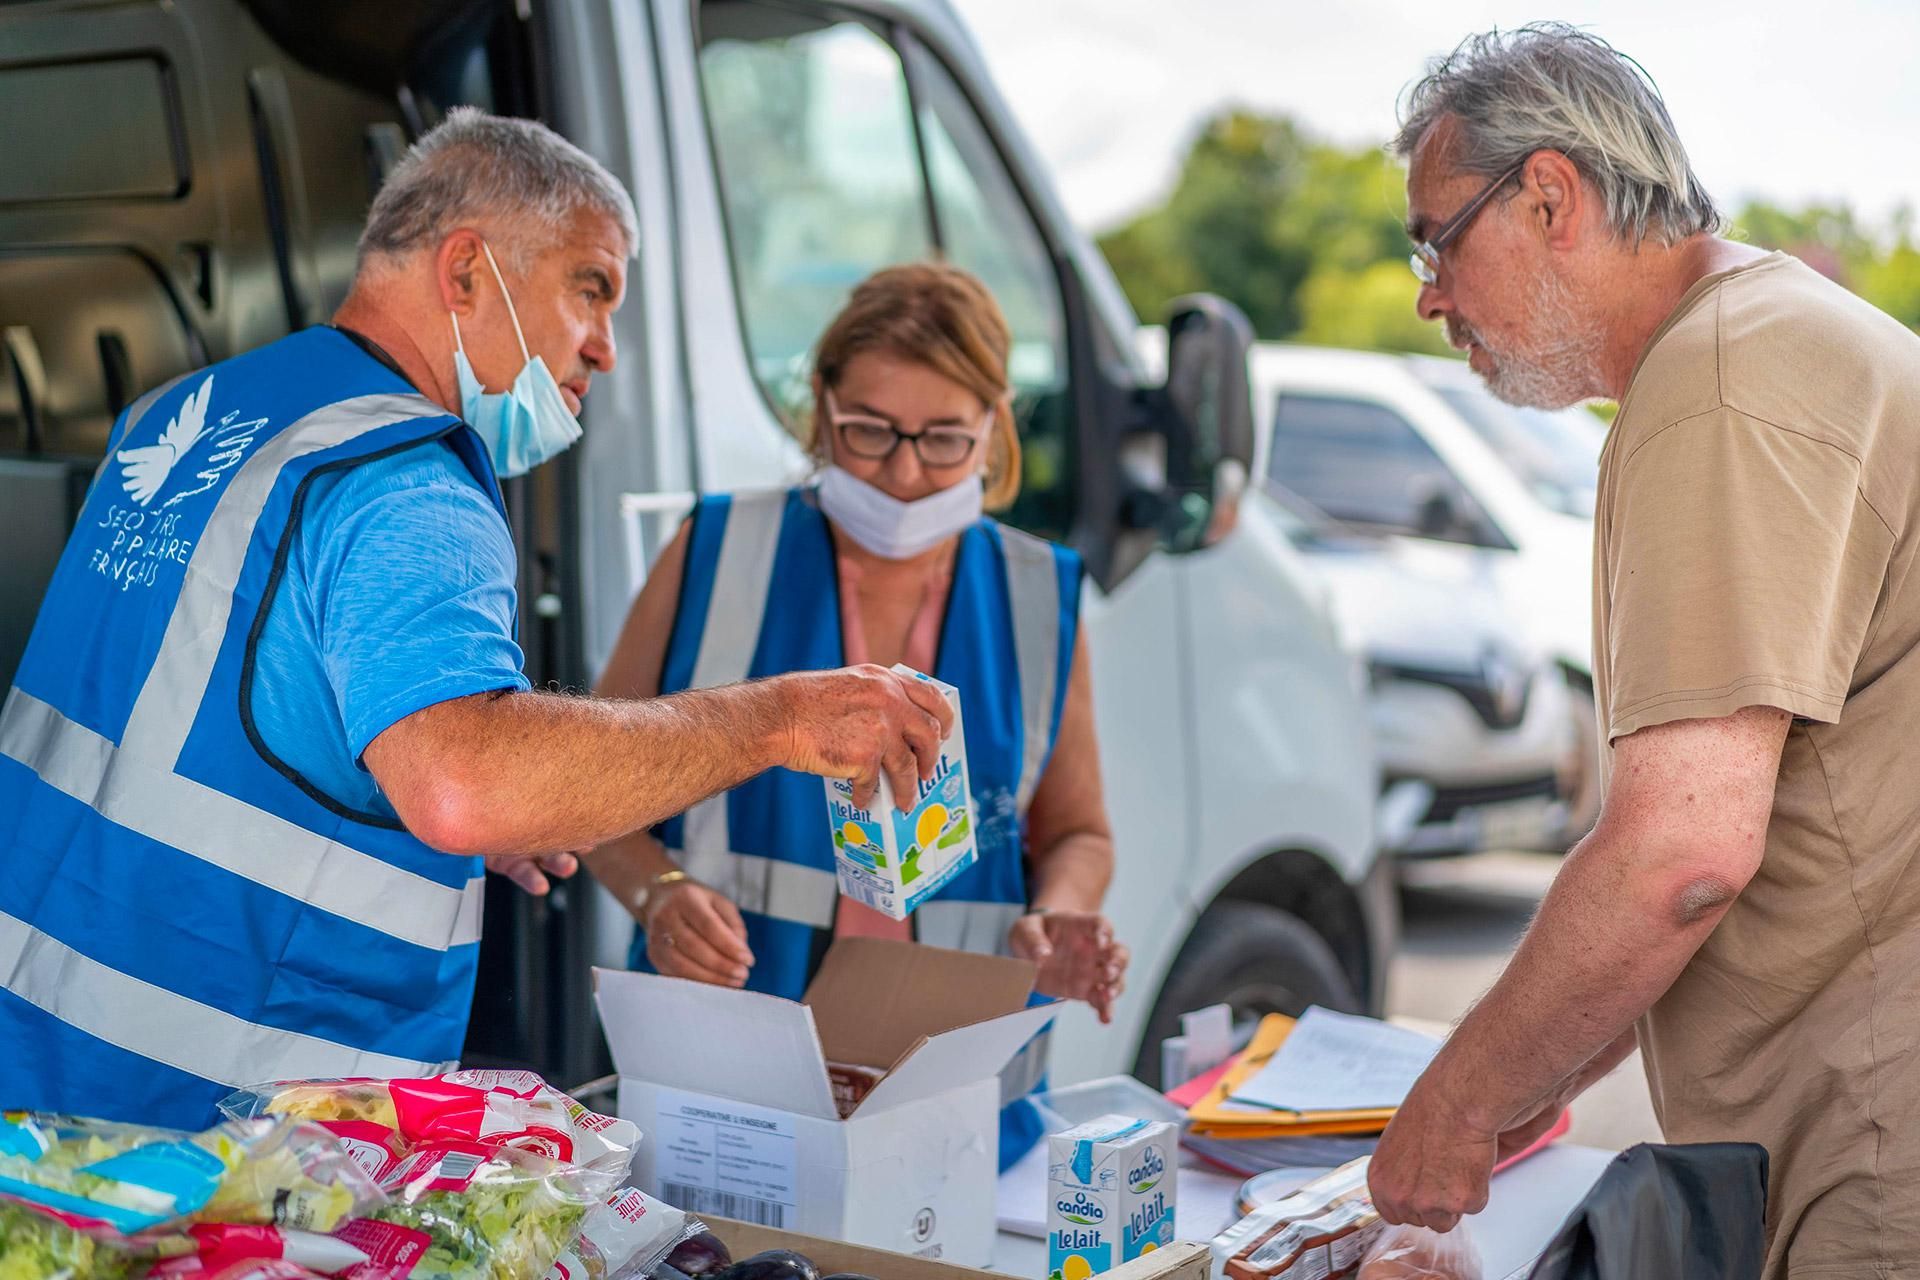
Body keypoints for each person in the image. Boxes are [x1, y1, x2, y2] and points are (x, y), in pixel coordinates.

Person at [0, 108, 954, 1128]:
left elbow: (204, 698)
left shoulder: (195, 412)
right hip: (198, 1125)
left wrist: (393, 780)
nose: (605, 348)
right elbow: (465, 786)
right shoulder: (409, 478)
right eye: (591, 288)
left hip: (37, 1048)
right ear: (465, 272)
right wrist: (781, 719)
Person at [1365, 25, 1920, 1276]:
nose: (1429, 292)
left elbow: (1681, 853)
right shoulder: (1758, 337)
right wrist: (1529, 1067)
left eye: (1437, 239)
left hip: (1880, 1129)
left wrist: (1453, 1106)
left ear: (1550, 195)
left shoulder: (1724, 381)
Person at [591, 262, 1129, 1169]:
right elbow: (584, 786)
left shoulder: (1044, 593)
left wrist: (1059, 915)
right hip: (729, 1065)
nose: (907, 474)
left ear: (996, 427)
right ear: (821, 407)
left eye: (946, 440)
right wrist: (661, 894)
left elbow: (1079, 832)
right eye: (870, 434)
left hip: (956, 1081)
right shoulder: (716, 550)